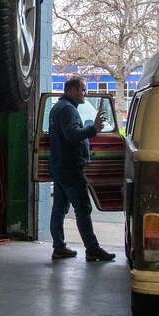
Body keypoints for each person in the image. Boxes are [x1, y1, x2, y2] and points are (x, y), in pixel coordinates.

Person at [48, 77, 115, 262]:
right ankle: (92, 249)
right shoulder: (68, 110)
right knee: (83, 208)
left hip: (59, 166)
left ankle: (59, 247)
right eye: (82, 90)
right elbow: (71, 135)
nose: (84, 93)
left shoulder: (58, 108)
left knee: (59, 209)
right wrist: (92, 129)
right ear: (71, 90)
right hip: (70, 168)